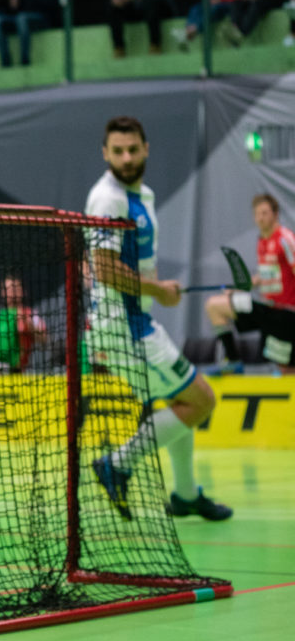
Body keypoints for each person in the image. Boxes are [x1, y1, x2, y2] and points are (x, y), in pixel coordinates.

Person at [85, 116, 231, 523]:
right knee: (201, 400)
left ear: (146, 148)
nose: (127, 158)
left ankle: (185, 495)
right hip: (123, 328)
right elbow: (105, 268)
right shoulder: (107, 199)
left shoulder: (142, 194)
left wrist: (156, 287)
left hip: (137, 320)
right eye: (118, 151)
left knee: (181, 402)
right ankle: (117, 463)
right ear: (105, 153)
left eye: (133, 149)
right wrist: (159, 291)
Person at [205, 194, 295, 376]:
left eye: (264, 213)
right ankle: (233, 361)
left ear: (275, 214)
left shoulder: (286, 239)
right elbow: (264, 276)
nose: (260, 218)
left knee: (286, 370)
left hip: (286, 315)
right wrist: (238, 289)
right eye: (257, 214)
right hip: (266, 310)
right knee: (215, 306)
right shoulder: (262, 241)